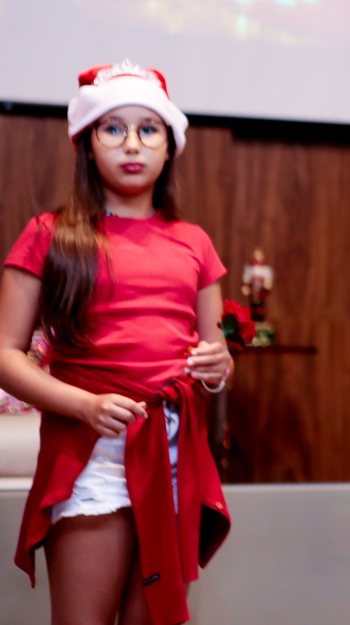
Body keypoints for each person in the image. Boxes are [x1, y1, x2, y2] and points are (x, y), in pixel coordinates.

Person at [0, 61, 232, 625]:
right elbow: (5, 355)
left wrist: (217, 365)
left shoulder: (195, 243)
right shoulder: (48, 233)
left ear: (169, 147)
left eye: (149, 129)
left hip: (172, 454)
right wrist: (85, 405)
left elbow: (215, 358)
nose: (132, 143)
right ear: (87, 143)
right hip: (90, 456)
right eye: (113, 128)